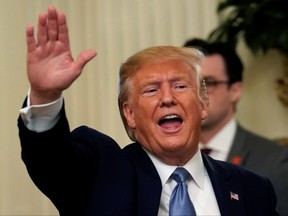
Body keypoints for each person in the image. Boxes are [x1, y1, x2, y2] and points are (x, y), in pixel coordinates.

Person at [18, 6, 279, 216]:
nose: (167, 98)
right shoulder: (100, 173)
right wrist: (46, 95)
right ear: (129, 114)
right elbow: (51, 160)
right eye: (152, 90)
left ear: (202, 105)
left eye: (179, 86)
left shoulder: (252, 189)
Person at [184, 38, 288, 216]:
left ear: (235, 90)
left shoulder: (276, 163)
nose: (197, 94)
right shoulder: (162, 160)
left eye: (208, 83)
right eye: (186, 84)